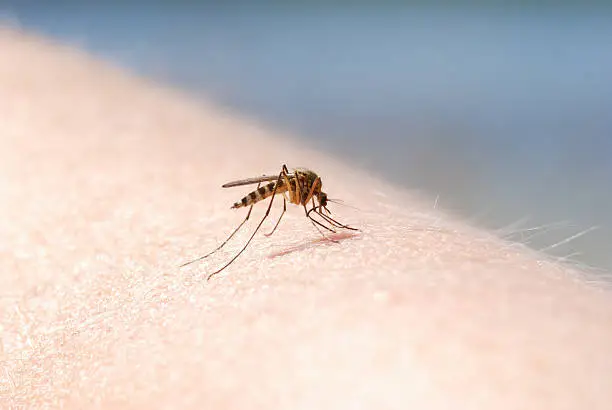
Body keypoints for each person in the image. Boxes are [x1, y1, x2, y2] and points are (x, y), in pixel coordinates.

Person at [1, 28, 611, 409]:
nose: (313, 202)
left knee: (275, 194)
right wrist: (281, 206)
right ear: (308, 190)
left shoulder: (310, 189)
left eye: (312, 200)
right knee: (261, 206)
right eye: (313, 199)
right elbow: (290, 185)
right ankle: (237, 242)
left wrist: (318, 212)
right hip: (269, 191)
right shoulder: (296, 187)